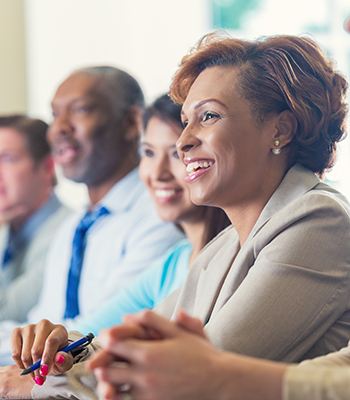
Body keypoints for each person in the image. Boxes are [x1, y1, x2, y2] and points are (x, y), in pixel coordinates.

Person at [0, 94, 230, 397]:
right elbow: (89, 337)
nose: (158, 173)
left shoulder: (212, 251)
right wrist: (51, 343)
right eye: (148, 153)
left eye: (175, 154)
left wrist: (37, 382)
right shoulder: (176, 259)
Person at [0, 67, 184, 365]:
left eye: (80, 110)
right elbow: (43, 324)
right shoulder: (75, 226)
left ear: (131, 122)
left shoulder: (162, 214)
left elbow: (89, 332)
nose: (59, 127)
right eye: (55, 114)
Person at [0, 115, 71, 323]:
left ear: (48, 167)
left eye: (7, 159)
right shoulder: (6, 230)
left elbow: (6, 315)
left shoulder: (67, 232)